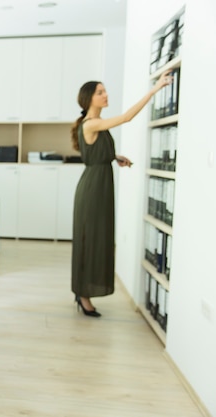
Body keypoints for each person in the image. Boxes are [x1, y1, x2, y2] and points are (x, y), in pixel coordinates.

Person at [71, 71, 172, 317]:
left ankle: (82, 291)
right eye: (100, 92)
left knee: (97, 240)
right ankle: (83, 295)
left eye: (105, 91)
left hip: (99, 184)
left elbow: (95, 151)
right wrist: (155, 89)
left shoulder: (96, 125)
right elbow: (127, 117)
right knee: (91, 242)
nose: (106, 95)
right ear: (89, 99)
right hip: (93, 189)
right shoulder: (92, 123)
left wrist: (114, 157)